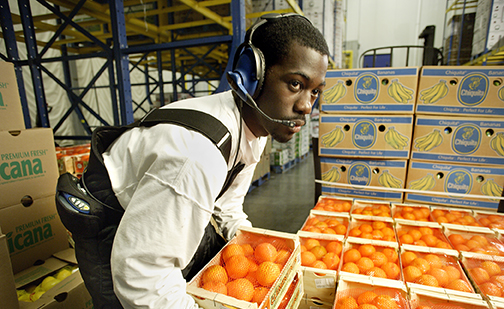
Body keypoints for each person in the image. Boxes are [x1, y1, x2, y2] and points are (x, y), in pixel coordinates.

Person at [98, 13, 329, 308]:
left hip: (150, 218)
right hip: (110, 220)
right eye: (296, 84)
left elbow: (227, 205)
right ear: (252, 75)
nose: (307, 106)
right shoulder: (198, 155)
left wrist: (255, 252)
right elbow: (142, 277)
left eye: (315, 92)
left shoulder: (255, 129)